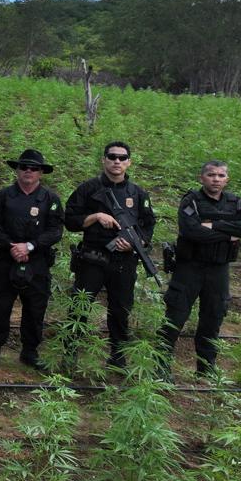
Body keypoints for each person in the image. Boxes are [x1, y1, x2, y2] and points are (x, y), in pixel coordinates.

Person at [62, 141, 156, 368]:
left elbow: (148, 224)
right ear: (104, 159)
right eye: (112, 157)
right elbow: (70, 221)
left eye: (122, 158)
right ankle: (70, 354)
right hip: (93, 258)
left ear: (129, 162)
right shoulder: (87, 189)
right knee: (79, 307)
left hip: (124, 261)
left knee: (121, 310)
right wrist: (95, 217)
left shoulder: (138, 193)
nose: (117, 161)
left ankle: (118, 357)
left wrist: (134, 244)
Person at [157, 160, 241, 376]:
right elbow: (192, 231)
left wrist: (214, 226)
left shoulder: (237, 203)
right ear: (202, 178)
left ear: (227, 180)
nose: (216, 179)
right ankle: (160, 369)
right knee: (175, 318)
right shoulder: (190, 201)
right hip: (189, 268)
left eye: (221, 176)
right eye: (211, 175)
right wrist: (229, 234)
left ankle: (205, 371)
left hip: (218, 270)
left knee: (213, 319)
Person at [0, 149, 64, 368]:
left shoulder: (50, 199)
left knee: (35, 308)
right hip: (6, 259)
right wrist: (11, 246)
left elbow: (55, 231)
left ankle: (30, 351)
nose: (28, 171)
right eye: (24, 167)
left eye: (34, 168)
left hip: (37, 261)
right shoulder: (3, 196)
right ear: (17, 170)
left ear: (41, 173)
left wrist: (30, 246)